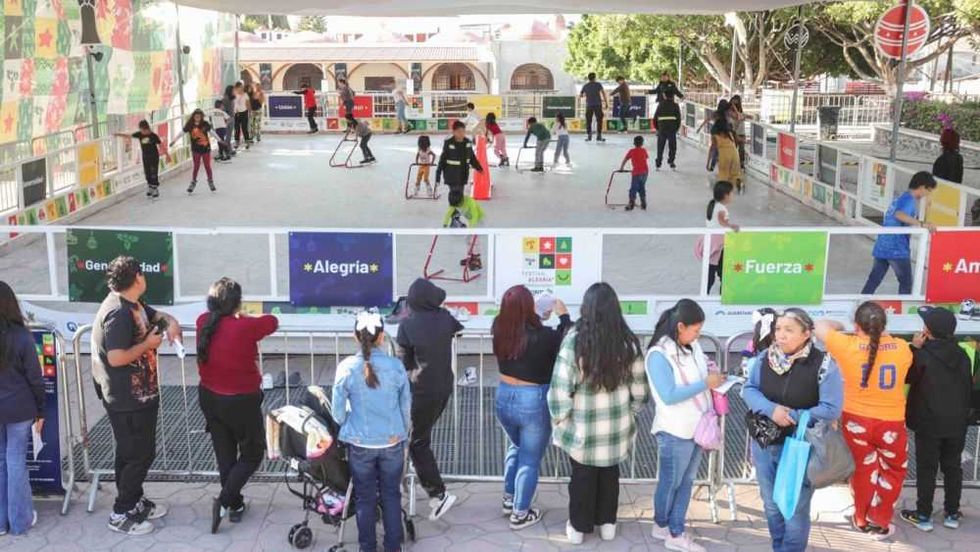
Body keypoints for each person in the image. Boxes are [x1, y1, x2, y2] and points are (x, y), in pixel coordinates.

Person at [548, 282, 649, 545]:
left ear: (586, 308)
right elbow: (640, 391)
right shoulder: (628, 343)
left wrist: (560, 418)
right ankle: (607, 524)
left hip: (582, 428)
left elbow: (560, 388)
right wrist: (630, 412)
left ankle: (578, 528)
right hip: (617, 427)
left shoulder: (574, 341)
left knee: (582, 477)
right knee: (610, 475)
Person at [91, 256, 182, 535]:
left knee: (130, 453)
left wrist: (171, 324)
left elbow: (156, 317)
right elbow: (116, 357)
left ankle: (133, 500)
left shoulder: (133, 303)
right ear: (138, 278)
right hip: (127, 399)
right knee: (139, 455)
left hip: (138, 395)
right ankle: (121, 513)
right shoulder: (118, 313)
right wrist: (148, 344)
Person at [742, 309, 844, 552]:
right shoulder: (765, 357)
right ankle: (779, 547)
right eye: (778, 329)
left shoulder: (824, 364)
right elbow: (749, 389)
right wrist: (771, 409)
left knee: (795, 508)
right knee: (771, 504)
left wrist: (793, 416)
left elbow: (831, 408)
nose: (781, 335)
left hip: (801, 447)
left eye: (789, 330)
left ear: (807, 334)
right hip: (764, 442)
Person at [816, 302, 914, 539]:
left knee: (862, 469)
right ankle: (880, 519)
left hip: (855, 420)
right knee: (893, 470)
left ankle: (861, 518)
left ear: (857, 325)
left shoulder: (846, 345)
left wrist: (843, 327)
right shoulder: (903, 348)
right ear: (884, 324)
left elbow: (820, 325)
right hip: (891, 423)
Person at [195, 278, 278, 534]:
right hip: (241, 400)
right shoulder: (245, 326)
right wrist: (244, 316)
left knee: (225, 453)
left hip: (209, 396)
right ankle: (225, 500)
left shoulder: (202, 322)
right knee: (253, 453)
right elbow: (272, 321)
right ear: (237, 303)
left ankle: (235, 504)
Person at [646, 299, 724, 552]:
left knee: (686, 481)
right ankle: (674, 532)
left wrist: (711, 375)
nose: (698, 335)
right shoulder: (658, 354)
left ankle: (665, 526)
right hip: (674, 430)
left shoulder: (692, 346)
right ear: (680, 326)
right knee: (672, 483)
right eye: (695, 330)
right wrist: (706, 383)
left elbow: (698, 375)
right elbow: (668, 395)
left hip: (697, 426)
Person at [492, 286, 572, 530]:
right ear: (529, 307)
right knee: (529, 458)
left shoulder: (498, 327)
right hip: (533, 399)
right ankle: (520, 513)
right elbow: (568, 339)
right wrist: (563, 316)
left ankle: (509, 498)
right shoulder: (545, 336)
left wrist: (535, 316)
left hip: (503, 394)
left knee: (515, 447)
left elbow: (521, 329)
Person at [333, 311, 411, 552]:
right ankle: (393, 547)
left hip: (360, 443)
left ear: (355, 336)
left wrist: (348, 421)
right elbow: (405, 408)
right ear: (382, 337)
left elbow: (337, 414)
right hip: (392, 441)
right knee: (391, 495)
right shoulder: (396, 366)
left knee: (364, 498)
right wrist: (403, 434)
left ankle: (367, 547)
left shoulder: (346, 367)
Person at [395, 278, 464, 520]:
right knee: (417, 438)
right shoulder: (445, 318)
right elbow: (458, 329)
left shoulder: (407, 325)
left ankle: (438, 494)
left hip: (420, 391)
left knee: (417, 441)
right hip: (443, 388)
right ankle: (408, 482)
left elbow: (403, 363)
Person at [900, 306, 972, 531]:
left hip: (928, 422)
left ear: (927, 330)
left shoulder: (922, 354)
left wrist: (914, 348)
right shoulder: (962, 355)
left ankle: (923, 515)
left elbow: (908, 377)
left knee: (927, 468)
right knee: (953, 467)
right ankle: (952, 513)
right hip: (956, 422)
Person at [0, 281, 44, 536]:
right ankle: (20, 521)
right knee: (15, 461)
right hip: (19, 407)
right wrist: (40, 409)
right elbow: (35, 378)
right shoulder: (21, 336)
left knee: (1, 462)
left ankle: (1, 523)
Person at [860, 171, 938, 295]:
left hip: (882, 245)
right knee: (906, 282)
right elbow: (899, 215)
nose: (927, 195)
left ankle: (861, 302)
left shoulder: (901, 198)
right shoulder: (909, 200)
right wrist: (922, 224)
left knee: (874, 279)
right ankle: (904, 306)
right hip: (896, 248)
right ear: (922, 187)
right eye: (928, 191)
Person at [115, 120, 170, 199]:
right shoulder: (140, 135)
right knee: (147, 173)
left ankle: (155, 188)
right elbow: (129, 135)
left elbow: (161, 145)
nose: (142, 131)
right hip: (145, 157)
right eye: (140, 130)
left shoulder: (153, 136)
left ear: (146, 129)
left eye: (142, 130)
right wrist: (119, 134)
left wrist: (167, 155)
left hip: (154, 157)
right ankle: (150, 187)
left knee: (153, 172)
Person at [170, 109, 221, 193]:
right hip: (196, 149)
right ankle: (193, 182)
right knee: (196, 166)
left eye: (199, 116)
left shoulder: (205, 124)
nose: (197, 118)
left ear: (201, 117)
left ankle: (210, 181)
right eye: (196, 116)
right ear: (193, 116)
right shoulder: (190, 125)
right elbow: (182, 133)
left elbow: (212, 132)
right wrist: (174, 140)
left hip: (205, 148)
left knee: (207, 166)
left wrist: (220, 140)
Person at [705, 181, 739, 294]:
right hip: (719, 245)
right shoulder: (721, 208)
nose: (733, 195)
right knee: (723, 273)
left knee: (710, 273)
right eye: (732, 193)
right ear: (725, 195)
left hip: (711, 243)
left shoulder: (713, 205)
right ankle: (722, 296)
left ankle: (705, 294)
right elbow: (722, 221)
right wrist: (732, 227)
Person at [436, 121, 484, 190]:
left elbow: (472, 158)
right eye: (459, 131)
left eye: (463, 131)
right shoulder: (448, 143)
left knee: (460, 193)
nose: (461, 134)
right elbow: (442, 161)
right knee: (455, 193)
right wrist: (438, 176)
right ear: (454, 132)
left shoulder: (467, 142)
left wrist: (479, 168)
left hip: (463, 176)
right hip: (451, 176)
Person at [711, 102, 742, 192]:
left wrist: (709, 163)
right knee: (734, 173)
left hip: (724, 152)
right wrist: (734, 107)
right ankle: (736, 182)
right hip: (733, 150)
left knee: (723, 174)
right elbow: (738, 117)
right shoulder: (729, 122)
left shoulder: (716, 125)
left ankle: (723, 191)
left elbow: (713, 147)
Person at [619, 136, 649, 212]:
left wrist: (621, 168)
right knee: (641, 187)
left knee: (634, 188)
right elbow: (645, 158)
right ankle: (643, 202)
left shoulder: (631, 151)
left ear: (634, 143)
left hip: (636, 173)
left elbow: (625, 159)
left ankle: (631, 203)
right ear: (642, 143)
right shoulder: (644, 150)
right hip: (645, 172)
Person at [653, 92, 681, 170]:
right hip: (672, 129)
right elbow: (678, 119)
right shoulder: (675, 105)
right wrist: (676, 129)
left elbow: (655, 118)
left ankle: (658, 163)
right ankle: (671, 162)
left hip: (662, 128)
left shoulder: (660, 105)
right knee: (672, 146)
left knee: (660, 146)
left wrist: (658, 128)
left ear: (664, 96)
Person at [579, 72, 607, 142]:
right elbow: (603, 93)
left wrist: (586, 95)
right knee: (599, 120)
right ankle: (599, 136)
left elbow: (581, 95)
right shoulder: (598, 84)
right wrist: (606, 102)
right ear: (594, 78)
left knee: (588, 120)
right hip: (598, 105)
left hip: (589, 105)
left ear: (588, 78)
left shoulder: (585, 86)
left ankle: (589, 136)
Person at [729, 95, 747, 168]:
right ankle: (732, 163)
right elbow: (738, 117)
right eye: (734, 102)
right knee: (734, 148)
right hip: (734, 132)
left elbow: (741, 116)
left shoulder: (740, 111)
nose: (735, 103)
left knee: (741, 149)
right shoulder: (730, 111)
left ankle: (741, 163)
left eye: (737, 101)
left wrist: (743, 116)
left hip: (741, 132)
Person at [233, 82, 250, 148]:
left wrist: (249, 112)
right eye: (240, 87)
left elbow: (248, 104)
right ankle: (237, 142)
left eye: (242, 87)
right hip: (236, 113)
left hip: (244, 112)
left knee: (244, 128)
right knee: (237, 128)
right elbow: (233, 104)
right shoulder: (234, 95)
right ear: (237, 88)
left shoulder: (245, 94)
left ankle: (247, 142)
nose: (242, 88)